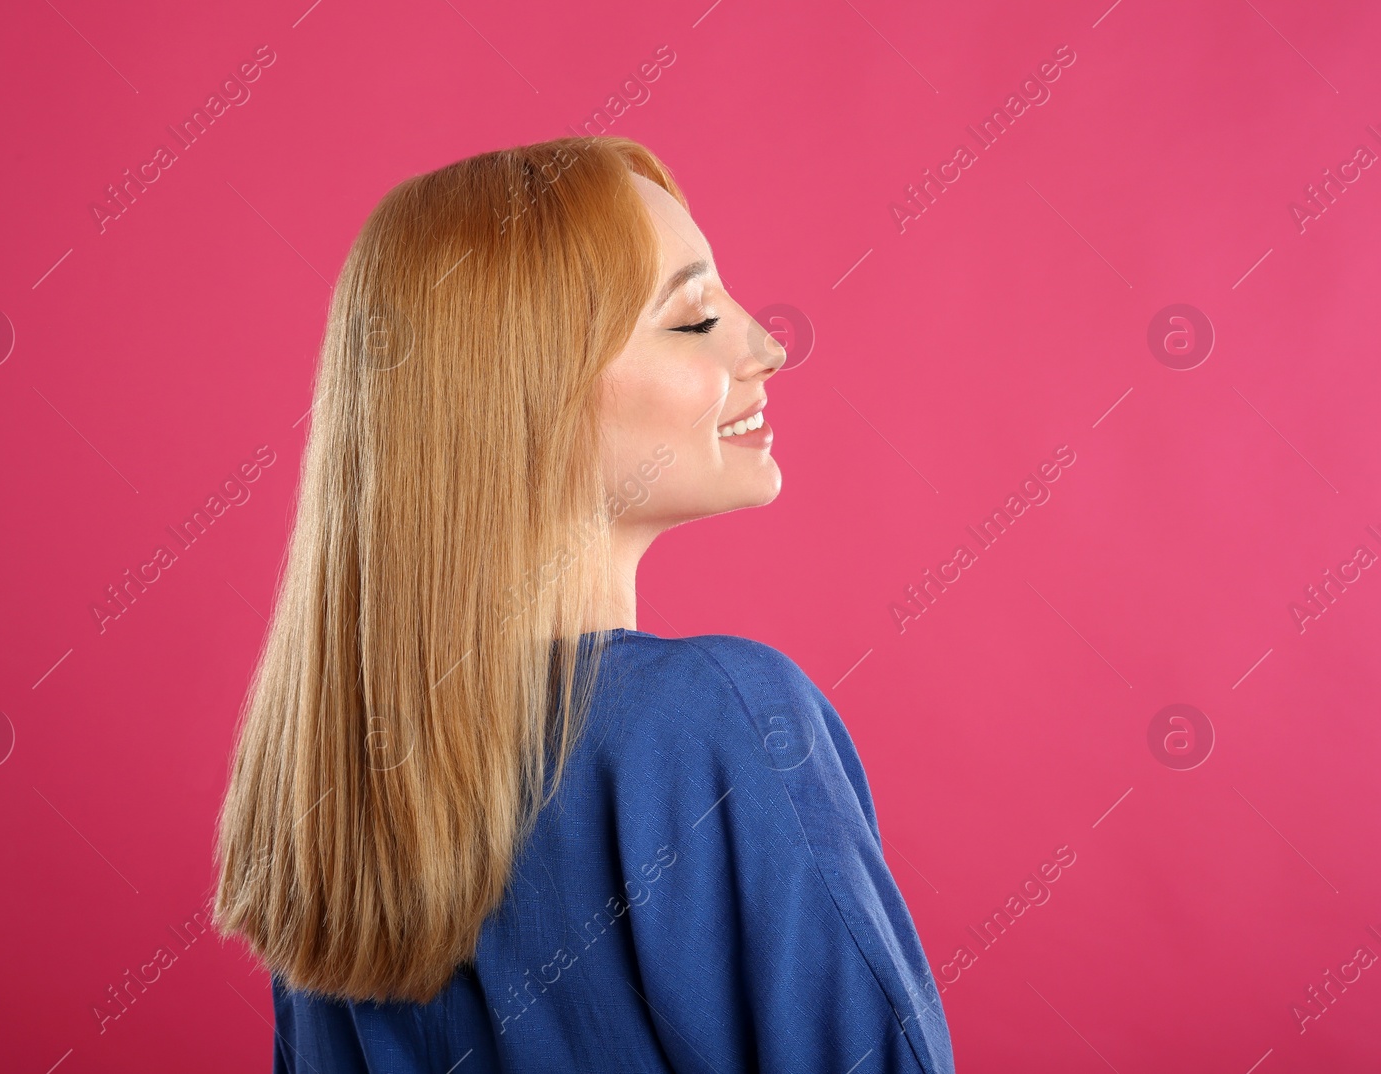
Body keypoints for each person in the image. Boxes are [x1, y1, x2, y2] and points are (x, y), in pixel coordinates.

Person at [211, 136, 955, 1073]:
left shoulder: (334, 794)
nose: (766, 346)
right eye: (692, 321)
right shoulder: (715, 720)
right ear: (526, 398)